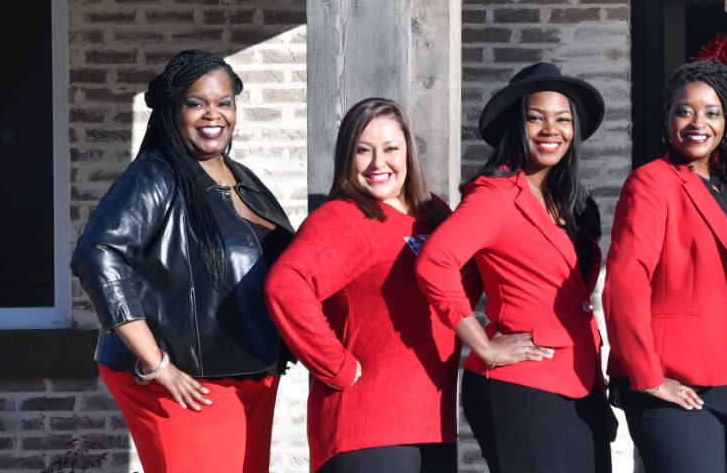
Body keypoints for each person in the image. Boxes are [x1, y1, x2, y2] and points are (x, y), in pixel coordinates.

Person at [71, 49, 294, 473]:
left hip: (251, 375)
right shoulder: (157, 175)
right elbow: (96, 255)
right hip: (189, 382)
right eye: (197, 103)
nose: (214, 115)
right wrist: (157, 366)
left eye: (224, 102)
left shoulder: (242, 177)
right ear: (173, 111)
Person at [415, 62, 615, 473]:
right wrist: (483, 346)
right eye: (536, 118)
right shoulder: (494, 196)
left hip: (579, 383)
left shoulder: (573, 204)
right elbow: (435, 263)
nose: (550, 130)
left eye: (562, 119)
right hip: (523, 386)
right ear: (515, 125)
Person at [266, 98, 470, 472]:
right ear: (347, 157)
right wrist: (336, 365)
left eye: (391, 149)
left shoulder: (434, 214)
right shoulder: (343, 217)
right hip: (366, 429)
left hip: (433, 423)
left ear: (408, 152)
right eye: (364, 151)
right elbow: (285, 285)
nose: (379, 163)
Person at [605, 60, 727, 473]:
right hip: (676, 382)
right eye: (685, 110)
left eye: (712, 112)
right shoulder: (653, 182)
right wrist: (647, 376)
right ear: (667, 119)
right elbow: (625, 282)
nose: (698, 122)